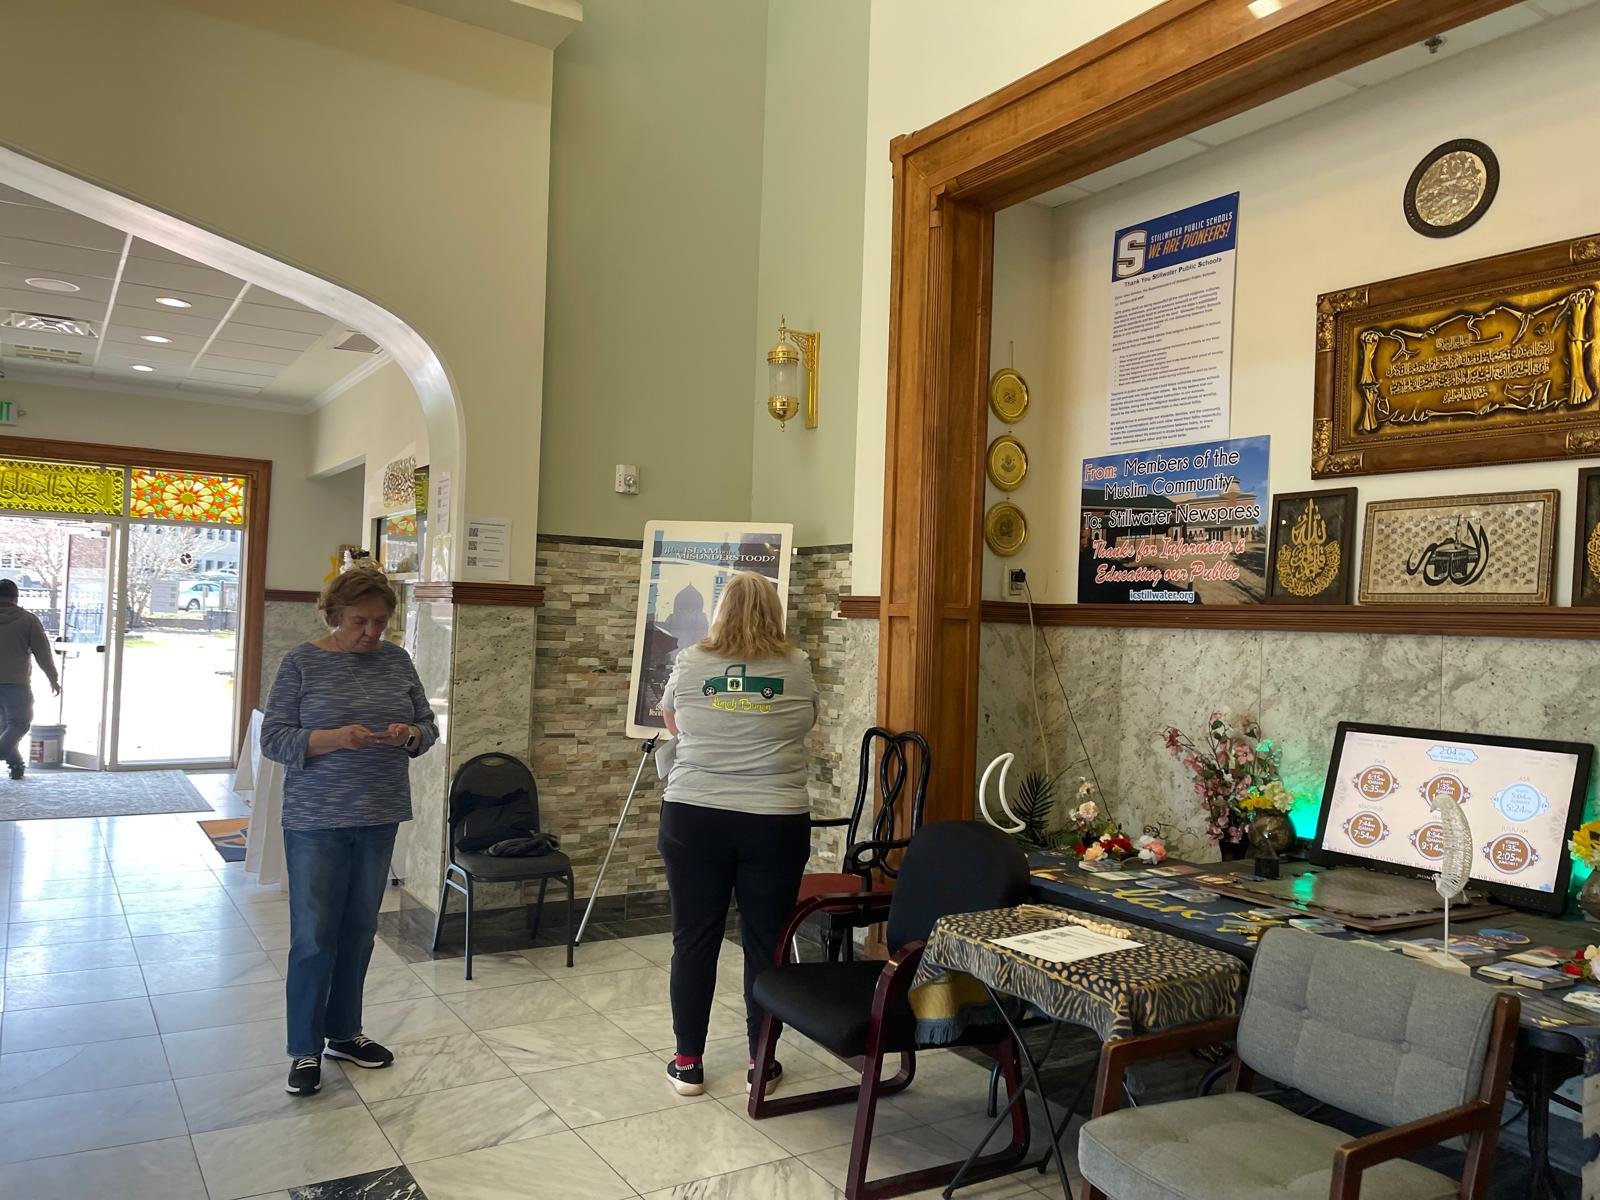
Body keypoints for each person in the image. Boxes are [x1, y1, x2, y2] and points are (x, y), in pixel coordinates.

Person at [261, 563, 438, 1097]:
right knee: (314, 937)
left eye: (381, 622)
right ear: (334, 615)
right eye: (360, 622)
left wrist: (410, 734)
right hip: (316, 819)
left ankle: (344, 1033)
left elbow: (428, 727)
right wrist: (335, 739)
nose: (371, 633)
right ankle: (303, 1050)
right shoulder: (302, 663)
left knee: (360, 933)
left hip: (379, 813)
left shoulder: (397, 661)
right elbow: (274, 739)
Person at [656, 571, 818, 1099]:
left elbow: (672, 717)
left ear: (719, 612)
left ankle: (687, 1063)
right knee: (765, 944)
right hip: (774, 820)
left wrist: (714, 735)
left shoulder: (691, 661)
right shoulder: (795, 665)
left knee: (693, 939)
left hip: (694, 815)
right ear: (775, 612)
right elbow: (806, 720)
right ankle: (760, 1061)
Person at [0, 578, 60, 780]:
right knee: (19, 724)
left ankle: (16, 765)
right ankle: (12, 761)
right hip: (16, 683)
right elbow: (42, 652)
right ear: (16, 597)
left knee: (5, 728)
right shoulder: (28, 620)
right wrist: (53, 677)